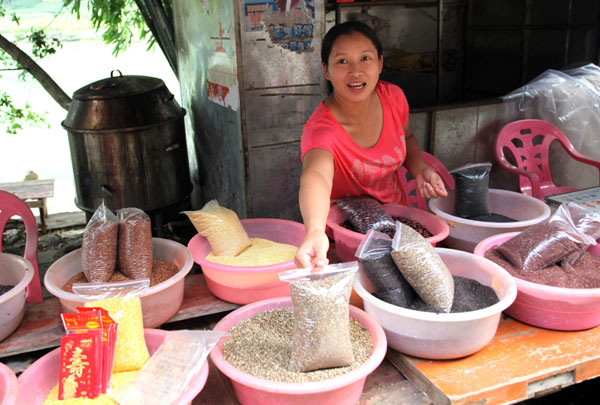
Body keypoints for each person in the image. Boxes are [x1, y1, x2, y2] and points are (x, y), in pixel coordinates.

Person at [294, 20, 448, 269]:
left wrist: (420, 169)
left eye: (365, 58)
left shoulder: (393, 98)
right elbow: (316, 176)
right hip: (348, 238)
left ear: (380, 63)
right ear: (326, 70)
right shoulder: (321, 131)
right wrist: (313, 231)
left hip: (397, 222)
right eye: (342, 61)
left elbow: (406, 137)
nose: (355, 71)